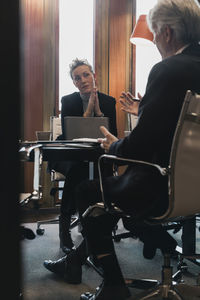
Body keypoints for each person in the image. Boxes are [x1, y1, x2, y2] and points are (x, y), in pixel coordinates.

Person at [44, 0, 200, 299]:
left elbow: (139, 147)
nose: (155, 42)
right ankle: (75, 260)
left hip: (163, 187)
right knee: (114, 195)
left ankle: (114, 285)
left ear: (166, 33)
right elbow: (174, 131)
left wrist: (114, 144)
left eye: (154, 35)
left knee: (92, 192)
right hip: (192, 184)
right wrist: (143, 113)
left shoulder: (168, 70)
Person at [49, 58, 117, 254]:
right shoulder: (68, 101)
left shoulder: (108, 101)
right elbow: (72, 136)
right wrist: (88, 112)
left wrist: (99, 111)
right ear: (74, 83)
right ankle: (65, 227)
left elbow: (112, 134)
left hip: (96, 154)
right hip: (69, 153)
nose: (83, 80)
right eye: (77, 78)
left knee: (102, 167)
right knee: (77, 168)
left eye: (86, 75)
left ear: (94, 76)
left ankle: (98, 226)